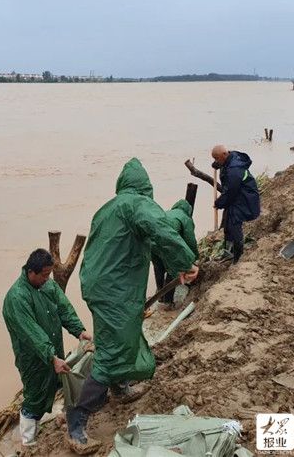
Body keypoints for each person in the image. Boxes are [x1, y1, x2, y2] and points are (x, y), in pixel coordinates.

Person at [65, 158, 199, 454]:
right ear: (145, 188)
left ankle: (120, 388)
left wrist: (172, 264)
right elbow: (162, 230)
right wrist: (186, 262)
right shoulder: (137, 204)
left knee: (124, 336)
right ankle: (76, 422)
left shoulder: (109, 208)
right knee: (111, 353)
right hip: (116, 290)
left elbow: (137, 243)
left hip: (102, 285)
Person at [2, 249, 92, 447]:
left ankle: (61, 418)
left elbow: (64, 308)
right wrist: (51, 357)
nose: (47, 279)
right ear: (30, 272)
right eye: (44, 275)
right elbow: (32, 333)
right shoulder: (17, 298)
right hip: (33, 358)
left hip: (53, 352)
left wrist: (79, 331)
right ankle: (28, 441)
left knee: (60, 384)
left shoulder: (47, 286)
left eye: (49, 274)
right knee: (34, 397)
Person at [211, 145, 261, 263]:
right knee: (228, 223)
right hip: (239, 194)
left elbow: (230, 192)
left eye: (217, 158)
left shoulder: (234, 170)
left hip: (244, 198)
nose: (216, 161)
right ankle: (228, 252)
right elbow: (230, 188)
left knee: (234, 224)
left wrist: (219, 203)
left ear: (224, 155)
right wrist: (218, 164)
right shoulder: (230, 158)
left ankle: (238, 257)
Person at [151, 199, 199, 309]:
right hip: (167, 243)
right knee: (173, 271)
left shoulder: (167, 213)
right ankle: (167, 302)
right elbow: (190, 241)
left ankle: (160, 296)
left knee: (158, 268)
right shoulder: (185, 218)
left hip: (152, 244)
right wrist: (194, 258)